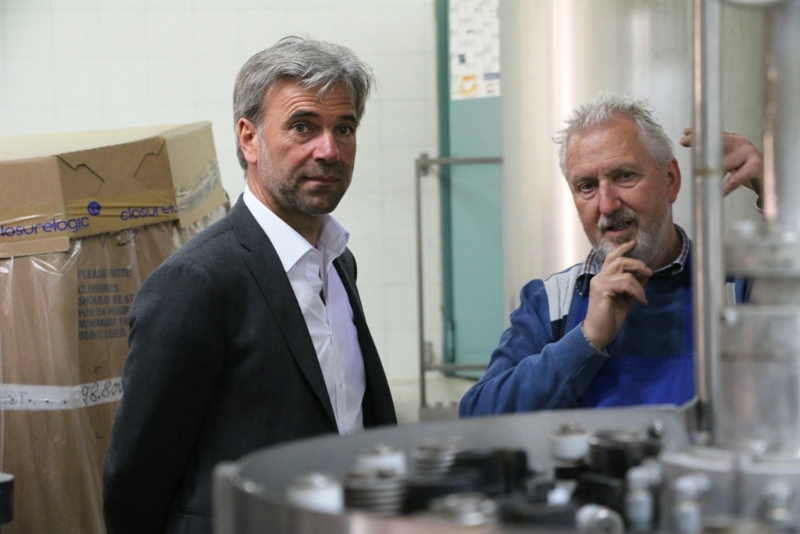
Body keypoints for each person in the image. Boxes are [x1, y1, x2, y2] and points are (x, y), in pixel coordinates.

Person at [103, 36, 397, 534]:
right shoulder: (196, 282)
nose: (329, 150)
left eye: (344, 129)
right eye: (303, 127)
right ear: (249, 139)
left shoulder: (337, 262)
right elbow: (138, 475)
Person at [460, 94, 763, 416]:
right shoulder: (554, 302)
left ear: (670, 180)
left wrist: (780, 195)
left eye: (624, 176)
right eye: (587, 186)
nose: (606, 205)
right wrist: (586, 339)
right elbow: (479, 416)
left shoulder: (736, 285)